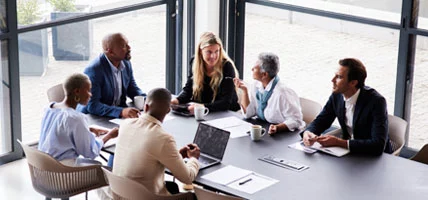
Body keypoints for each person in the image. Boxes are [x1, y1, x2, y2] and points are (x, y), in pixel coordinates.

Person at [113, 88, 200, 195]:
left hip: (120, 194)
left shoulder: (125, 124)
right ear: (168, 111)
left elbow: (147, 156)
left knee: (172, 187)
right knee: (192, 196)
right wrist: (193, 158)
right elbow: (187, 178)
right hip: (145, 197)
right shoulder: (163, 139)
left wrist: (176, 155)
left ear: (145, 107)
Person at [302, 58, 392, 156]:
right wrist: (308, 132)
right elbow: (321, 121)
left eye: (339, 77)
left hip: (372, 157)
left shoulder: (376, 101)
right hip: (347, 153)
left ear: (353, 82)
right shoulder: (337, 96)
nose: (332, 80)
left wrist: (338, 142)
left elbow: (378, 145)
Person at [38, 73, 118, 166]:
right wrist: (109, 135)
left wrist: (88, 131)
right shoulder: (75, 118)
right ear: (77, 91)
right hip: (63, 171)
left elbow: (58, 132)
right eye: (88, 90)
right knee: (105, 168)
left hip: (45, 167)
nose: (90, 95)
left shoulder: (49, 108)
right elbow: (90, 152)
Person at [234, 52, 305, 135]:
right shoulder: (256, 85)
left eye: (255, 68)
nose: (252, 69)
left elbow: (296, 120)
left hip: (282, 135)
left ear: (264, 74)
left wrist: (278, 128)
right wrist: (244, 91)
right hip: (265, 130)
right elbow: (248, 114)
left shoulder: (283, 93)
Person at [78, 33, 145, 119]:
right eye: (124, 46)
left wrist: (149, 100)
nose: (129, 48)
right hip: (94, 117)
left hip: (117, 116)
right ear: (110, 51)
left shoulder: (125, 62)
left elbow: (132, 88)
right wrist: (121, 112)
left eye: (128, 44)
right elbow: (93, 105)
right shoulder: (94, 70)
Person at [171, 31, 240, 113]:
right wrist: (176, 101)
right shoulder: (194, 62)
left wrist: (202, 107)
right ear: (201, 51)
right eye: (209, 52)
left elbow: (226, 102)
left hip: (225, 113)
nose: (213, 56)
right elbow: (188, 90)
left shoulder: (227, 67)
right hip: (203, 110)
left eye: (216, 51)